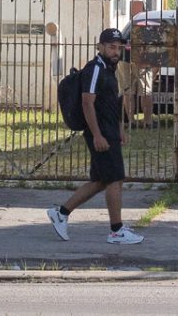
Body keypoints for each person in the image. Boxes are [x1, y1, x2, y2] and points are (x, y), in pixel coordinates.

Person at [46, 28, 143, 244]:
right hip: (100, 133)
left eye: (119, 47)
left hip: (109, 131)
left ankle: (61, 213)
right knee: (115, 180)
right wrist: (98, 135)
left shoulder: (110, 69)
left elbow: (113, 103)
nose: (115, 51)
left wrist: (120, 129)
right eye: (111, 47)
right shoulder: (95, 69)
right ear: (100, 47)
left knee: (100, 181)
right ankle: (116, 231)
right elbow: (87, 102)